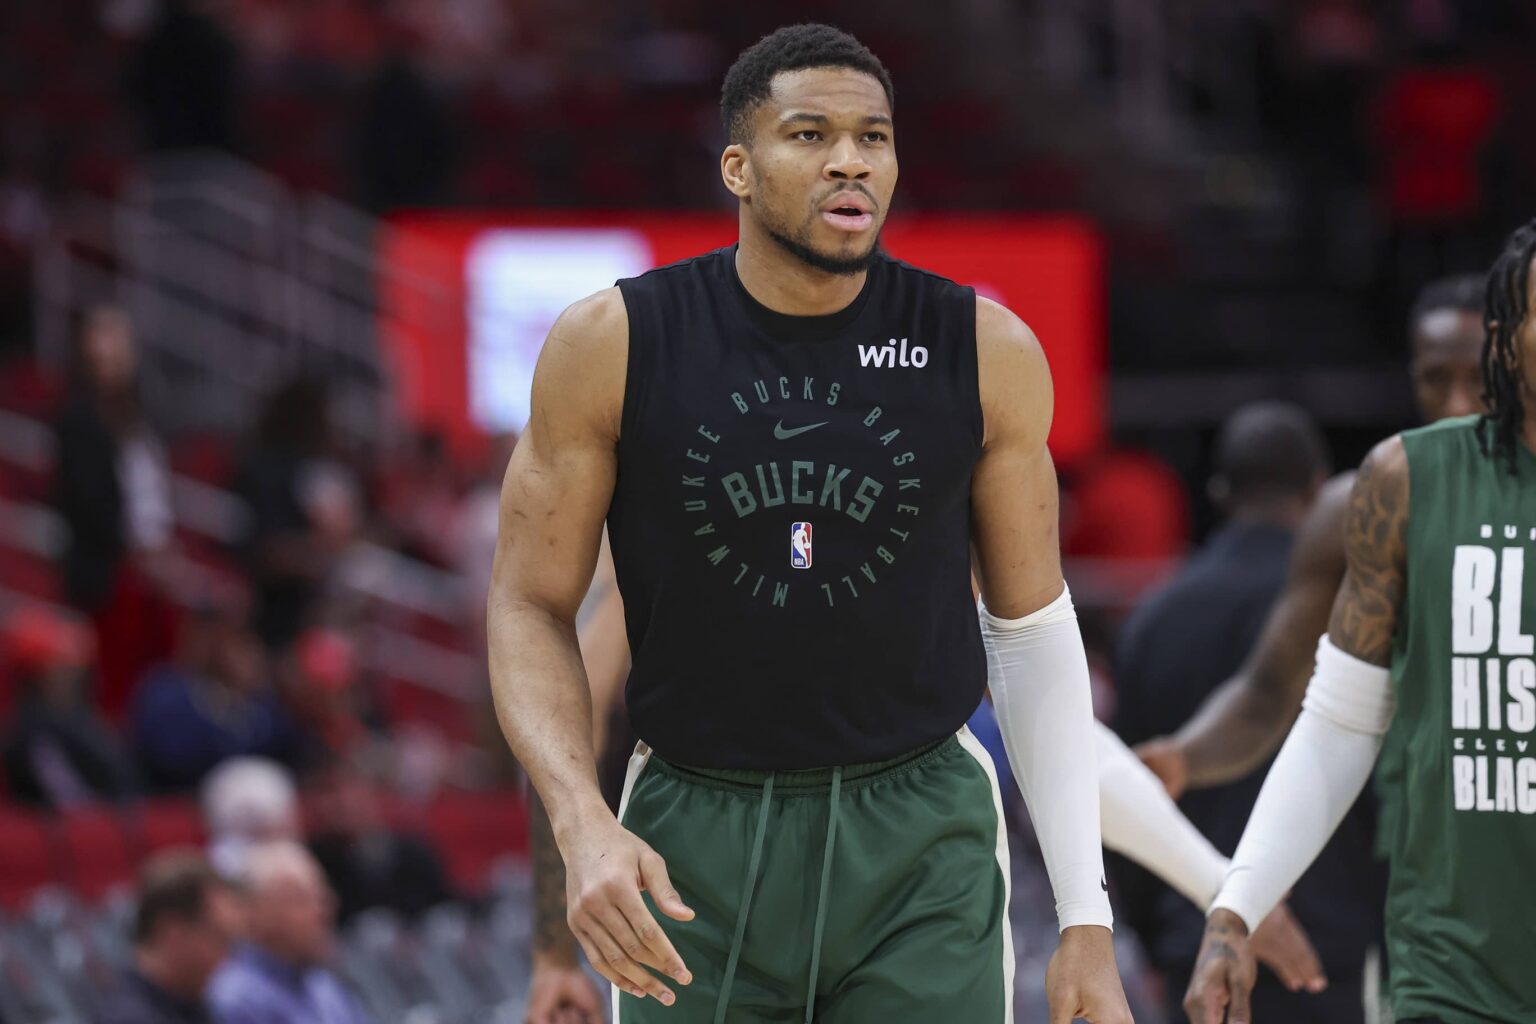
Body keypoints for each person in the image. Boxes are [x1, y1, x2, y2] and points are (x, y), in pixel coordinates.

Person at [490, 23, 1133, 1023]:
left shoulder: (984, 348)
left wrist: (1085, 917)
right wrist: (583, 824)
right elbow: (530, 603)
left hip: (919, 836)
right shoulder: (612, 343)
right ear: (739, 168)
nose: (850, 160)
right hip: (689, 835)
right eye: (811, 134)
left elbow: (1033, 630)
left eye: (873, 138)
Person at [524, 553, 1325, 1024]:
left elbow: (1050, 725)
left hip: (898, 888)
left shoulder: (916, 464)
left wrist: (1213, 885)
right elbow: (570, 712)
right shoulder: (673, 494)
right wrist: (556, 945)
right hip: (713, 876)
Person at [1183, 221, 1536, 1024]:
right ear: (1505, 342)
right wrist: (1237, 910)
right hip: (1455, 973)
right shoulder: (1409, 479)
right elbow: (1339, 722)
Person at [1135, 274, 1486, 798]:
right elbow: (1268, 692)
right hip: (1410, 842)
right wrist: (1186, 755)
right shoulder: (1359, 507)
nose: (1457, 404)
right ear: (1412, 376)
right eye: (1436, 378)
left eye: (1477, 379)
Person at [1112, 403, 1379, 1022]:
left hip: (1196, 932)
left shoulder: (1154, 616)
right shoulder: (1357, 608)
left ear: (1218, 491)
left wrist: (1154, 934)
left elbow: (1132, 786)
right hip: (1332, 934)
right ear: (1320, 490)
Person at [54, 305, 179, 721]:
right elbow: (86, 501)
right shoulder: (78, 420)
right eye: (101, 348)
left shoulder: (140, 420)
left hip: (149, 570)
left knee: (154, 674)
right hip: (109, 572)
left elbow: (152, 496)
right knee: (113, 682)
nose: (111, 358)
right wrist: (134, 552)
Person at [208, 841, 373, 1024]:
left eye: (322, 897)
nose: (324, 912)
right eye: (303, 899)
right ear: (257, 914)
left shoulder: (324, 986)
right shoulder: (240, 999)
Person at [1, 604, 140, 808]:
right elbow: (76, 805)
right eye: (61, 665)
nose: (74, 674)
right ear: (37, 674)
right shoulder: (34, 734)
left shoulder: (82, 717)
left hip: (123, 821)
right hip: (80, 834)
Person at [96, 850, 243, 1024]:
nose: (232, 959)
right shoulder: (132, 1017)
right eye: (222, 941)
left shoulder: (193, 1002)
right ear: (174, 933)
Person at [305, 758, 457, 925]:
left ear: (371, 793)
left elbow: (444, 905)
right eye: (328, 792)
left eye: (351, 789)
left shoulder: (414, 852)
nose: (342, 802)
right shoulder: (310, 864)